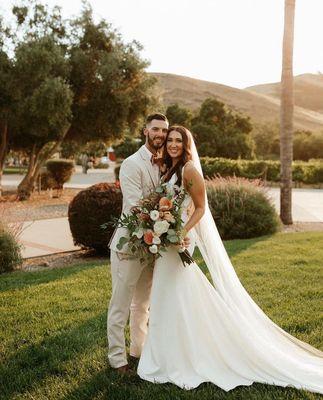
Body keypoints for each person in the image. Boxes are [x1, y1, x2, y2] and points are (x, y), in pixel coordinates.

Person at [136, 125, 323, 394]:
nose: (174, 144)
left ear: (186, 145)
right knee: (168, 297)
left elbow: (201, 208)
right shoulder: (168, 170)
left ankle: (183, 356)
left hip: (178, 240)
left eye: (179, 140)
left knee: (173, 294)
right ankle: (169, 353)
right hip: (166, 244)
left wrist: (181, 230)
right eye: (170, 140)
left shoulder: (189, 170)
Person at [107, 113, 189, 373]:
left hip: (152, 246)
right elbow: (134, 207)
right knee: (120, 304)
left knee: (142, 304)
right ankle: (117, 359)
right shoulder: (132, 164)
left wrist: (170, 224)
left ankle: (138, 351)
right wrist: (163, 216)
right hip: (129, 246)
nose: (161, 135)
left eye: (164, 131)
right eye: (156, 130)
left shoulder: (165, 164)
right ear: (145, 131)